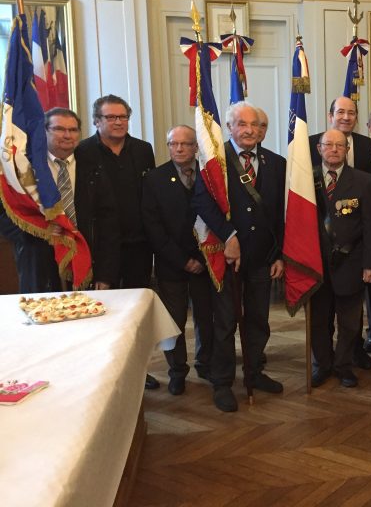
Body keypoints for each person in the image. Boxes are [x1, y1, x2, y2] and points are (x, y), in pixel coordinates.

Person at [193, 102, 285, 412]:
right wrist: (229, 236)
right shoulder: (214, 163)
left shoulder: (277, 163)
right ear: (230, 128)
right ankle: (222, 381)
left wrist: (278, 254)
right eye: (242, 124)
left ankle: (254, 372)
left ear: (262, 130)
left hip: (261, 258)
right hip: (227, 257)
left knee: (259, 320)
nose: (249, 130)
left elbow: (279, 215)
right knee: (225, 323)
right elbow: (203, 204)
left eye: (256, 125)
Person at [75, 94, 159, 389]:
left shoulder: (143, 150)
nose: (118, 122)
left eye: (123, 117)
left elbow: (151, 196)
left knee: (134, 311)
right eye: (111, 117)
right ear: (97, 121)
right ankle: (105, 374)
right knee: (103, 311)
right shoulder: (82, 151)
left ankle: (138, 370)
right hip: (99, 248)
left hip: (139, 245)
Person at [0, 108, 120, 292]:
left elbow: (109, 223)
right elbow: (5, 216)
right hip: (40, 267)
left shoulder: (94, 166)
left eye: (73, 130)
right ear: (44, 131)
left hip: (85, 264)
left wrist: (105, 274)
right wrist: (38, 230)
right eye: (59, 129)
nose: (67, 135)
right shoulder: (25, 170)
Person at [142, 125, 214, 395]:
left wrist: (201, 258)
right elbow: (153, 227)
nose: (180, 148)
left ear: (196, 147)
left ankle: (205, 363)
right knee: (174, 322)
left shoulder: (209, 176)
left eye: (186, 144)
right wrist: (183, 260)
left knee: (207, 318)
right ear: (168, 146)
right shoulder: (154, 179)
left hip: (206, 263)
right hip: (171, 264)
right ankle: (177, 371)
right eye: (174, 144)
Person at [310, 129, 371, 389]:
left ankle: (343, 366)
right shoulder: (306, 180)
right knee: (319, 321)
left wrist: (370, 264)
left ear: (347, 149)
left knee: (350, 323)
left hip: (350, 262)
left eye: (339, 145)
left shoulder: (363, 181)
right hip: (316, 263)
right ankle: (322, 365)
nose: (334, 149)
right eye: (328, 144)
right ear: (319, 149)